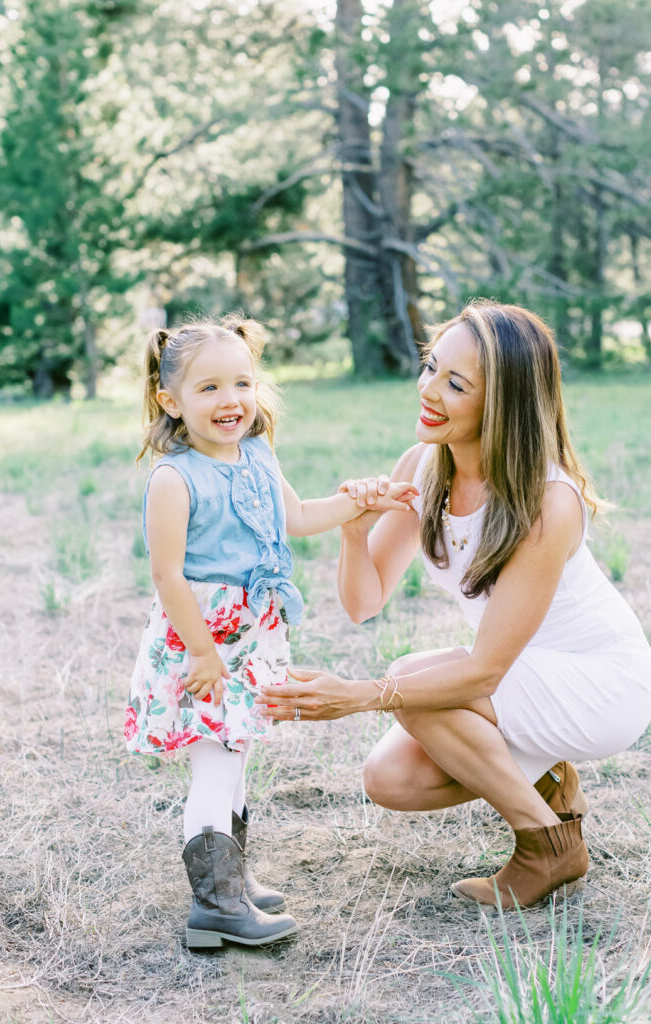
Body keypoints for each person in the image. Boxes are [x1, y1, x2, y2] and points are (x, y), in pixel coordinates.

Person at [255, 300, 651, 911]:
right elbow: (364, 603)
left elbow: (482, 673)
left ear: (502, 404)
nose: (429, 390)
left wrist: (358, 696)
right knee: (389, 779)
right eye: (430, 367)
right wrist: (354, 531)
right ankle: (551, 785)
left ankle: (545, 844)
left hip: (600, 683)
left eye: (456, 383)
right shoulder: (423, 464)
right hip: (516, 679)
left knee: (409, 680)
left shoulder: (547, 501)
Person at [125, 315, 416, 949]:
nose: (230, 401)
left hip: (252, 634)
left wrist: (366, 502)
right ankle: (215, 904)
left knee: (236, 756)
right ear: (169, 402)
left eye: (241, 383)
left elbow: (302, 516)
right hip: (204, 642)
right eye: (208, 389)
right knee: (214, 762)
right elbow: (167, 575)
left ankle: (231, 880)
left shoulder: (256, 453)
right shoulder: (174, 479)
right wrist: (202, 650)